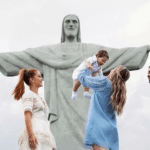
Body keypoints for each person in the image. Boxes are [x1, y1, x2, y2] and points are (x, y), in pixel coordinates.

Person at [0, 14, 150, 150]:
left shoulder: (90, 52)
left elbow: (118, 55)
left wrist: (144, 49)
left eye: (74, 22)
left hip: (86, 107)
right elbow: (24, 57)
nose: (71, 25)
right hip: (60, 112)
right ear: (63, 28)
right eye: (67, 22)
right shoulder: (50, 53)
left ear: (78, 28)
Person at [77, 64, 130, 150]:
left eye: (114, 69)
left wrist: (86, 69)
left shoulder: (103, 82)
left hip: (98, 127)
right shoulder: (117, 90)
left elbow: (81, 78)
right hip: (110, 129)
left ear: (115, 72)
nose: (112, 69)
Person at [12, 68, 56, 150]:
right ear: (32, 79)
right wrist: (31, 135)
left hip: (45, 132)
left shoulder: (41, 99)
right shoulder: (28, 95)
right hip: (35, 132)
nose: (42, 79)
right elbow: (27, 115)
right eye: (39, 76)